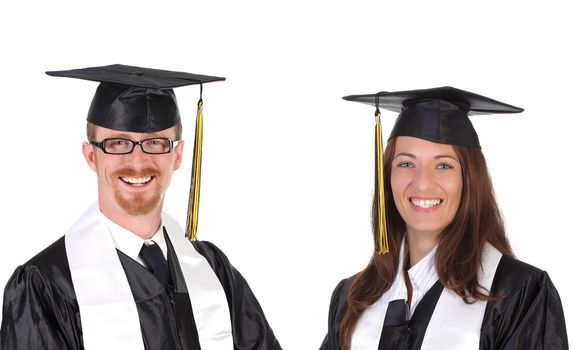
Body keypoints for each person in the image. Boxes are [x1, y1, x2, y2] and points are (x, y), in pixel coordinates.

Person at [0, 64, 282, 350]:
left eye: (156, 143)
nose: (137, 162)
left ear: (178, 155)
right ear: (90, 156)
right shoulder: (46, 284)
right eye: (118, 143)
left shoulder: (213, 270)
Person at [320, 87, 568, 349]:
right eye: (405, 164)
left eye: (443, 166)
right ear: (386, 179)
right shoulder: (353, 297)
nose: (423, 183)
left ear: (469, 179)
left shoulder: (518, 293)